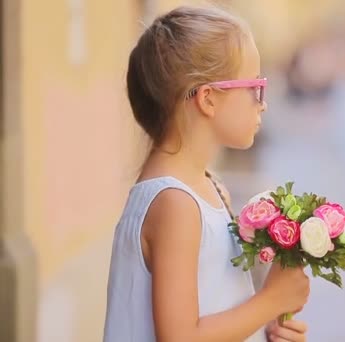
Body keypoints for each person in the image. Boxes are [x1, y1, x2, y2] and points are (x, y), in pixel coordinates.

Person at [103, 5, 310, 342]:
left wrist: (263, 329)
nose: (263, 103)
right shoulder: (175, 203)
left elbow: (213, 313)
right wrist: (273, 298)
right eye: (256, 87)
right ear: (209, 99)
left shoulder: (208, 188)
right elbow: (181, 336)